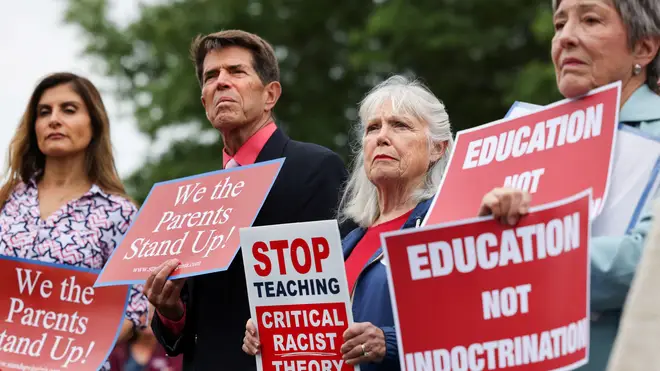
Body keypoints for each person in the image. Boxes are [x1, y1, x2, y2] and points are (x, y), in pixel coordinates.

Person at [147, 30, 353, 371]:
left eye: (236, 72)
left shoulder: (315, 168)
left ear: (270, 94)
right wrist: (172, 314)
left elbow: (341, 288)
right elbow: (185, 328)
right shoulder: (194, 199)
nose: (221, 82)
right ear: (204, 102)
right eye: (211, 76)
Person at [480, 1, 660, 369]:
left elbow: (647, 263)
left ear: (643, 47)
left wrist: (519, 250)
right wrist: (482, 232)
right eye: (559, 24)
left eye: (590, 20)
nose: (565, 38)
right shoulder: (519, 147)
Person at [242, 74, 455, 371]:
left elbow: (472, 324)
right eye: (372, 128)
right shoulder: (345, 244)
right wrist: (270, 331)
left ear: (438, 148)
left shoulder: (448, 224)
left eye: (400, 125)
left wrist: (389, 342)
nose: (381, 136)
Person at [0, 72, 149, 370]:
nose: (54, 119)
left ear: (93, 124)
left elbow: (137, 306)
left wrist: (80, 341)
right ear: (34, 128)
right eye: (44, 112)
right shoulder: (6, 199)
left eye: (68, 109)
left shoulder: (119, 212)